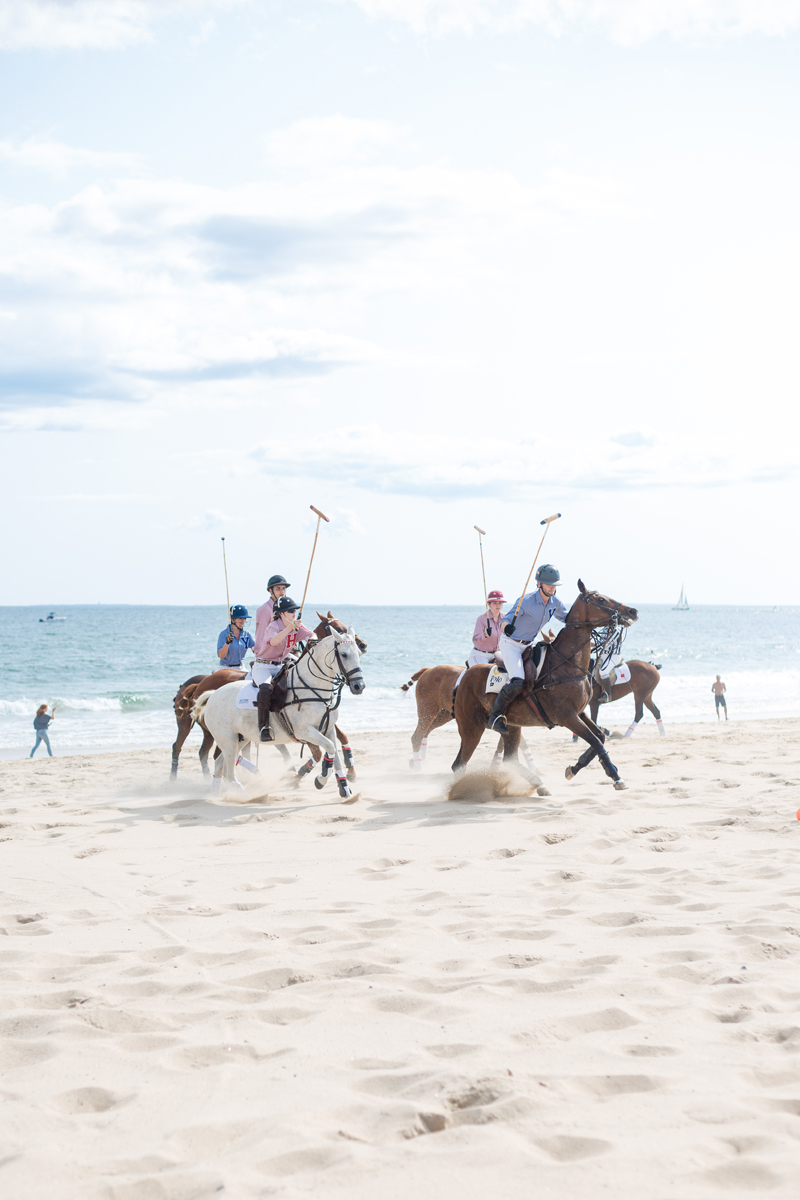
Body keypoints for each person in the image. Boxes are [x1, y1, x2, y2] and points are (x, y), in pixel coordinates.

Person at [487, 564, 568, 733]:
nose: (552, 587)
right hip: (512, 644)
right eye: (548, 584)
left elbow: (566, 618)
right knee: (517, 682)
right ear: (539, 584)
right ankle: (495, 717)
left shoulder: (556, 603)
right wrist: (506, 628)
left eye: (554, 584)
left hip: (531, 642)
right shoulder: (526, 601)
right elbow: (505, 620)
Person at [253, 596, 315, 741]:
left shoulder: (296, 626)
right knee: (266, 688)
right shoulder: (273, 626)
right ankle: (263, 727)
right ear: (281, 613)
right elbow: (274, 642)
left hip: (280, 665)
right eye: (290, 611)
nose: (294, 613)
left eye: (295, 610)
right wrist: (289, 628)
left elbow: (311, 634)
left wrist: (312, 639)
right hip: (263, 666)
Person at [468, 590, 505, 667]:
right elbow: (475, 641)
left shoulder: (505, 618)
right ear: (489, 604)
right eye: (495, 603)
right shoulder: (481, 619)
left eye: (500, 603)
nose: (498, 605)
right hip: (480, 655)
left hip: (498, 655)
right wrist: (485, 635)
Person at [255, 574, 290, 647]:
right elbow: (261, 635)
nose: (282, 591)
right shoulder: (265, 609)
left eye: (284, 588)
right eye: (278, 589)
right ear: (270, 590)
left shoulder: (287, 608)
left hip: (286, 649)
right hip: (269, 653)